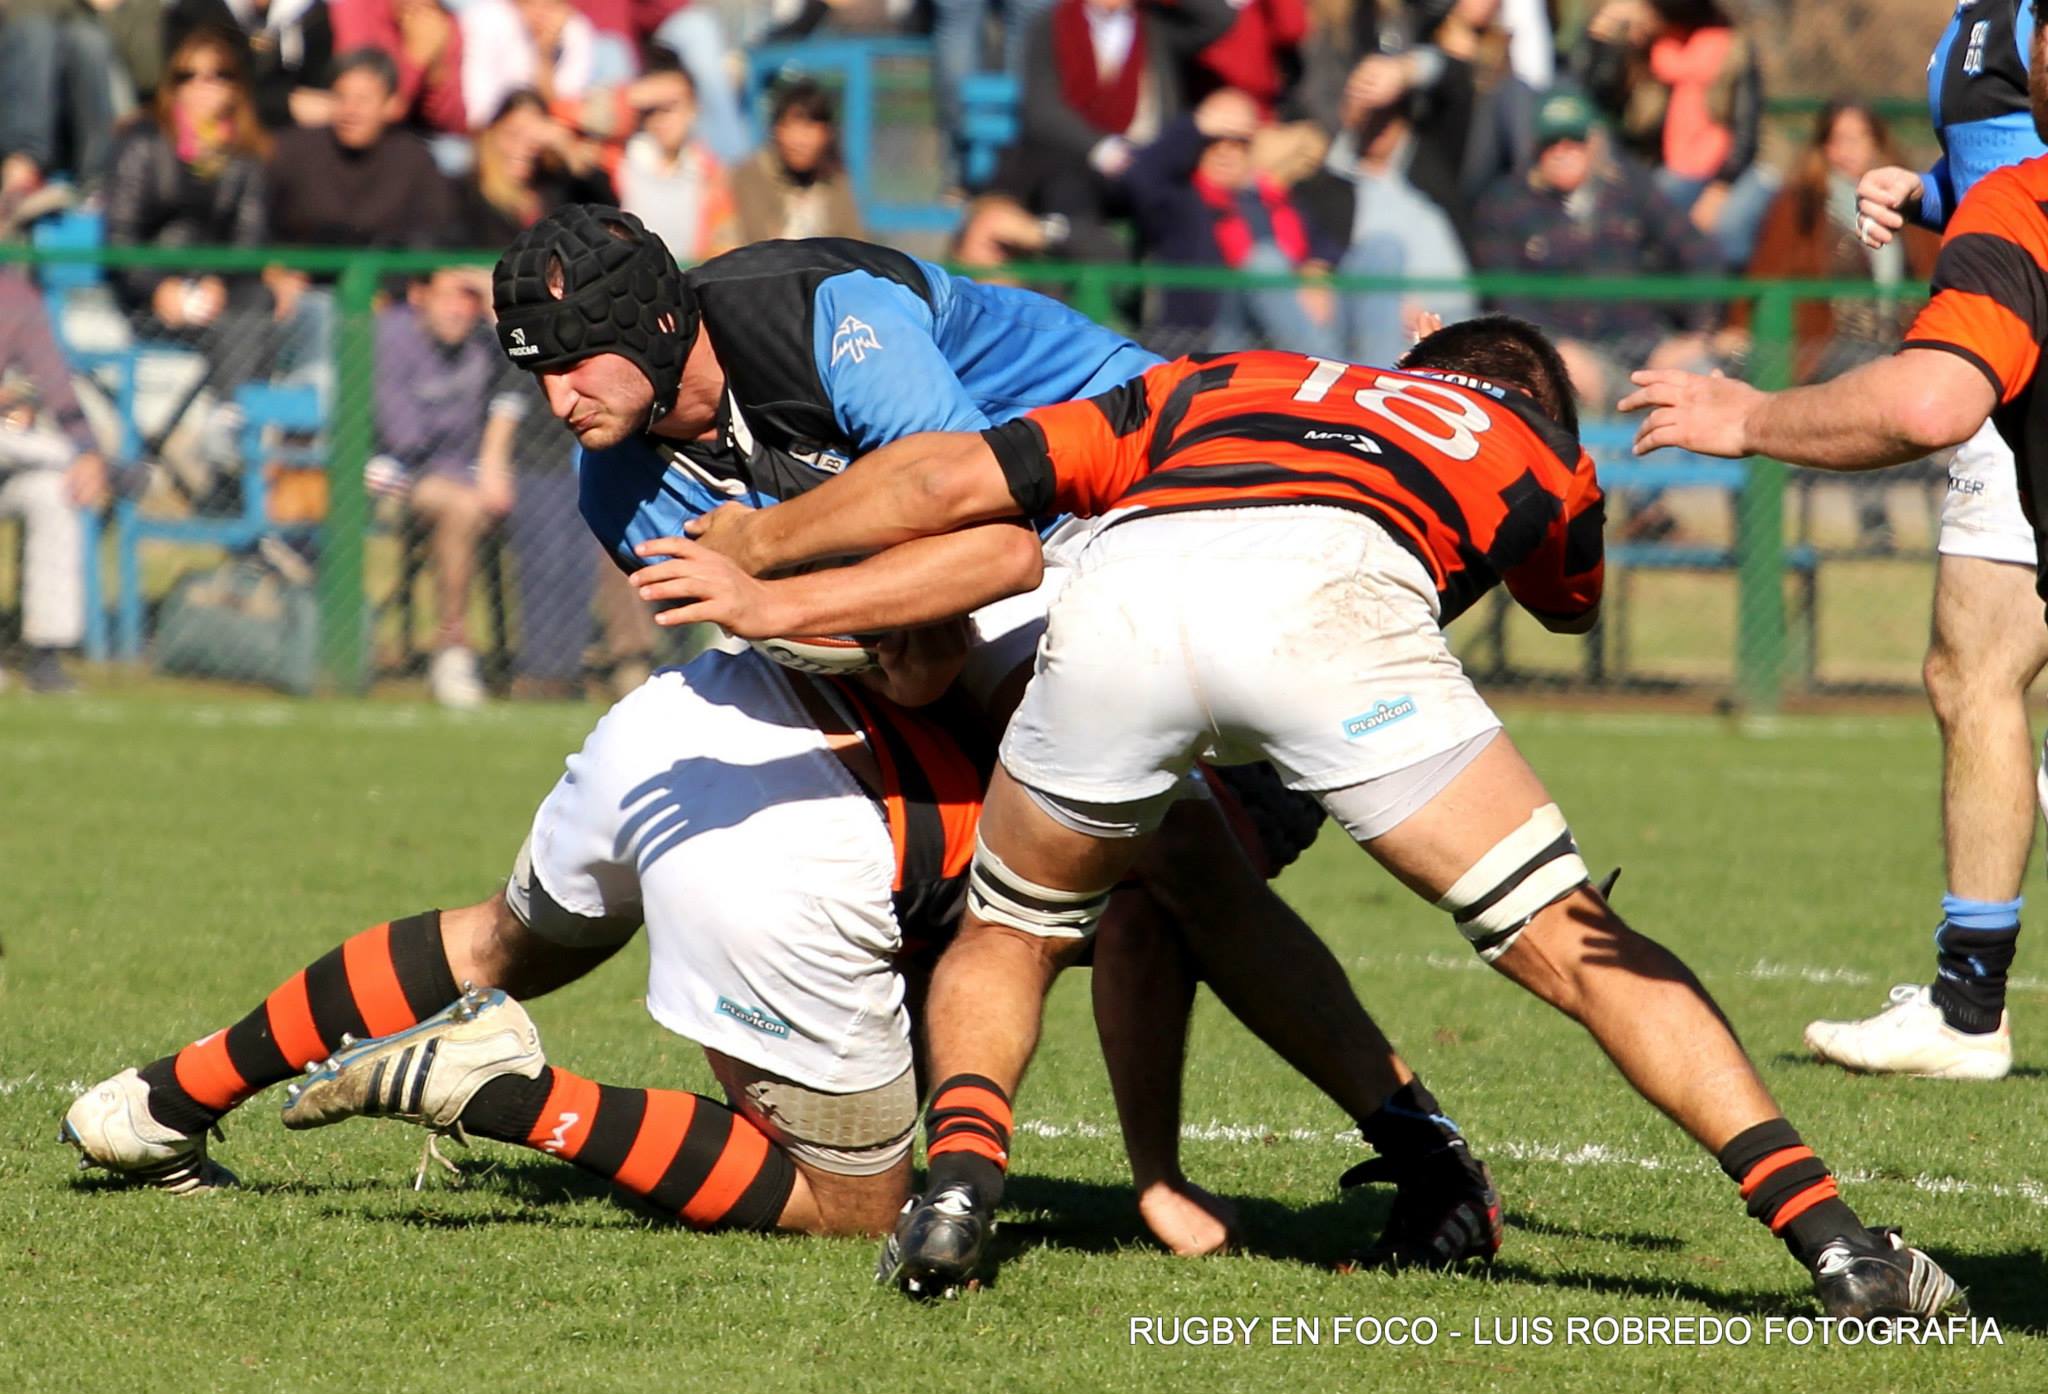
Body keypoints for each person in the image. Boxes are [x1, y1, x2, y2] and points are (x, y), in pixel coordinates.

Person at [62, 205, 1499, 1268]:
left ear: (651, 326)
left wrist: (835, 610)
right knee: (1107, 861)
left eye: (571, 363)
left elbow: (989, 540)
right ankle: (165, 1098)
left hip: (1147, 514)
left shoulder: (821, 314)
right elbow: (877, 649)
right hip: (996, 600)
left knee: (1174, 855)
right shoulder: (616, 484)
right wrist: (858, 629)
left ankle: (1347, 1147)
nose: (555, 399)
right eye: (531, 371)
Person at [663, 318, 1968, 1319]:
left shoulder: (1222, 377)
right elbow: (1569, 599)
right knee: (1571, 939)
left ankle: (954, 1194)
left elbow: (960, 472)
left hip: (1130, 588)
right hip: (1338, 604)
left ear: (1418, 355)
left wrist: (766, 548)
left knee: (1010, 930)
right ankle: (1840, 1244)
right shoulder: (1534, 448)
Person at [1775, 0, 2046, 1083]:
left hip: (2006, 344)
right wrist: (1928, 191)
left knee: (1975, 668)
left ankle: (1968, 1008)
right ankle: (1966, 1006)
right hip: (2000, 319)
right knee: (1968, 666)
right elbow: (2001, 162)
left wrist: (1745, 418)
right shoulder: (1973, 13)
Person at [1470, 85, 1719, 408]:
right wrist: (1552, 349)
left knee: (1695, 384)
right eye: (1551, 142)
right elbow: (1505, 294)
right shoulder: (1504, 203)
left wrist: (1698, 334)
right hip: (1564, 353)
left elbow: (1698, 253)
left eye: (1574, 140)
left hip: (1643, 343)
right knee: (1558, 397)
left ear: (1593, 142)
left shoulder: (1629, 187)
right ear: (1534, 147)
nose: (1563, 151)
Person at [371, 268, 516, 708]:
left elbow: (522, 380)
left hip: (464, 474)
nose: (460, 310)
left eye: (470, 299)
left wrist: (498, 311)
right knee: (463, 508)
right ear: (420, 295)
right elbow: (405, 439)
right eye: (450, 297)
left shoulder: (482, 341)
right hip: (392, 471)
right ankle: (452, 646)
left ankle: (547, 664)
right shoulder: (391, 338)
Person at [1123, 88, 1343, 355]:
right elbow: (1137, 177)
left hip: (1286, 334)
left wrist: (1317, 275)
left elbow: (1324, 251)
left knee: (1382, 251)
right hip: (1214, 345)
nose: (1225, 152)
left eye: (1239, 142)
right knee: (1264, 262)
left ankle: (1374, 378)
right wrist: (1196, 125)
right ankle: (1330, 371)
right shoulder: (1180, 201)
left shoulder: (1275, 199)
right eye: (1213, 141)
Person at [0, 275, 109, 693]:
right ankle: (120, 471)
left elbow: (56, 387)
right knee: (54, 455)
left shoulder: (15, 296)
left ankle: (46, 656)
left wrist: (87, 451)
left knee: (55, 492)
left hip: (10, 460)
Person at [608, 46, 734, 264]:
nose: (661, 118)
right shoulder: (620, 159)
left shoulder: (710, 172)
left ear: (694, 107)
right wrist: (630, 96)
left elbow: (724, 244)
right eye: (651, 109)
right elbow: (565, 115)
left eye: (671, 106)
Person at [730, 79, 863, 244]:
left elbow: (855, 243)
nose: (799, 140)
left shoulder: (835, 179)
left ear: (827, 133)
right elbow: (755, 243)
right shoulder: (752, 176)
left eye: (810, 128)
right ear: (776, 130)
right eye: (791, 126)